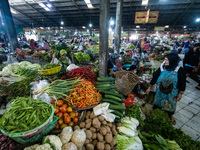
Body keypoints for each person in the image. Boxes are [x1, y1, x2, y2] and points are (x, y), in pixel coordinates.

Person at [146, 53, 186, 125]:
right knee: (157, 103)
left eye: (167, 60)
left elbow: (182, 82)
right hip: (160, 92)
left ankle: (170, 116)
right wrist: (149, 87)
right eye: (165, 60)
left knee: (170, 106)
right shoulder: (162, 67)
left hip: (172, 93)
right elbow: (155, 76)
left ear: (172, 61)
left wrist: (180, 93)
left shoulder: (179, 70)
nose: (165, 62)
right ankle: (154, 114)